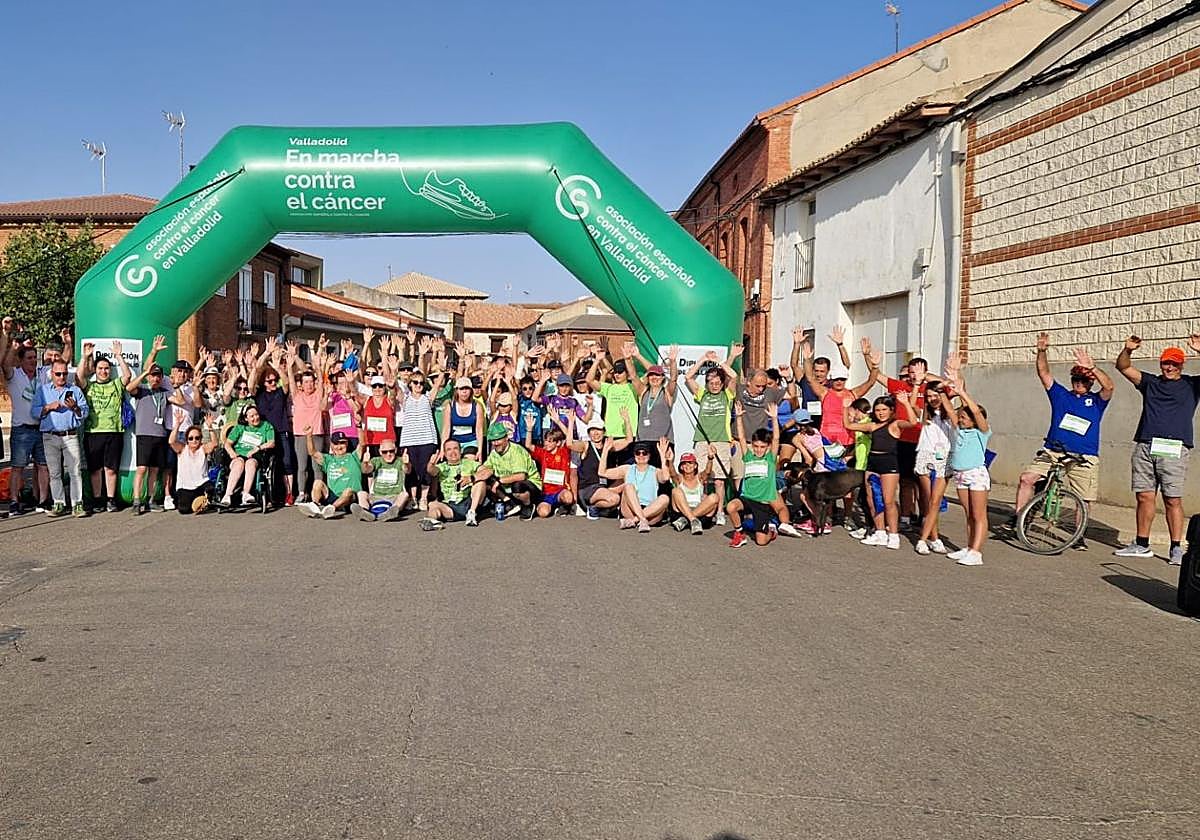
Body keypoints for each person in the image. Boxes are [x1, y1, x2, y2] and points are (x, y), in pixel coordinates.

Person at [1013, 333, 1115, 547]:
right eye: (1076, 379)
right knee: (1027, 479)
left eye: (1084, 380)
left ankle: (1078, 535)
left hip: (1084, 456)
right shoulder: (1061, 395)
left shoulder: (1096, 401)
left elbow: (1109, 387)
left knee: (1084, 498)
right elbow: (1044, 373)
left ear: (1090, 382)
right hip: (1054, 450)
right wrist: (1041, 351)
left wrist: (1093, 368)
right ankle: (1019, 520)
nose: (1079, 383)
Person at [1114, 334, 1200, 564]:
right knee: (1144, 496)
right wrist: (1128, 350)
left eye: (1174, 363)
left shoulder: (1191, 385)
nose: (1169, 367)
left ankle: (1176, 548)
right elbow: (1123, 367)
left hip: (1173, 447)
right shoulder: (1150, 382)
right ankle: (1142, 544)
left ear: (1181, 365)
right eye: (1166, 362)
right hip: (1145, 445)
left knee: (1172, 499)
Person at [844, 392, 917, 549]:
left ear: (891, 410)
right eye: (877, 410)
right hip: (872, 463)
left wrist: (906, 403)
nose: (880, 413)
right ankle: (880, 532)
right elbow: (848, 425)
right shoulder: (872, 425)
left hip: (889, 464)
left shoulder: (895, 424)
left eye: (884, 409)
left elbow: (912, 422)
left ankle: (894, 535)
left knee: (888, 501)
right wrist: (845, 408)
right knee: (871, 500)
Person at [726, 401, 803, 546]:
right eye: (756, 446)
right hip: (747, 498)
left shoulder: (770, 459)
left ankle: (771, 532)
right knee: (731, 506)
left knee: (761, 541)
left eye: (762, 447)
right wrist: (739, 417)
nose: (759, 450)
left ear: (767, 447)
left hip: (762, 503)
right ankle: (739, 533)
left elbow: (776, 438)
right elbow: (742, 438)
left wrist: (774, 419)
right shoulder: (748, 456)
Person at [684, 350, 741, 525]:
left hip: (722, 440)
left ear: (722, 383)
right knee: (702, 477)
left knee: (719, 480)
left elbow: (734, 376)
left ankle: (720, 512)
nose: (714, 386)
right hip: (702, 439)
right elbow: (688, 377)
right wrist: (703, 359)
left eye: (717, 383)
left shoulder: (727, 395)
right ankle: (703, 508)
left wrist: (718, 361)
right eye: (711, 383)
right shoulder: (703, 395)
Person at [943, 359, 991, 567]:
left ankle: (976, 552)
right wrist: (950, 380)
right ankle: (969, 546)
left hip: (976, 474)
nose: (960, 419)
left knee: (979, 514)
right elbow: (947, 405)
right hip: (960, 474)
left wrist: (963, 393)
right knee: (969, 513)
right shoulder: (959, 429)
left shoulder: (982, 431)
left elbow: (976, 412)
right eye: (960, 417)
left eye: (964, 417)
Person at [31, 359, 89, 517]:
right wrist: (48, 407)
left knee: (75, 471)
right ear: (52, 374)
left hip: (70, 435)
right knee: (54, 472)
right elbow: (34, 412)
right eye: (58, 374)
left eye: (64, 373)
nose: (61, 377)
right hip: (50, 436)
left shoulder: (75, 390)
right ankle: (59, 503)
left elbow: (85, 412)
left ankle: (77, 503)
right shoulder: (42, 390)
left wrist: (75, 407)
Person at [77, 341, 129, 513]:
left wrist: (119, 356)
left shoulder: (115, 384)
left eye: (106, 368)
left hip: (114, 432)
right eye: (100, 368)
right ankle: (98, 499)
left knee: (111, 469)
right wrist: (85, 357)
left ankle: (111, 499)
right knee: (95, 470)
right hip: (93, 432)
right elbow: (79, 377)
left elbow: (127, 376)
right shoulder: (90, 386)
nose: (104, 371)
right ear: (96, 370)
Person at [125, 335, 173, 515]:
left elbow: (180, 400)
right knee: (142, 468)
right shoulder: (143, 390)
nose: (155, 379)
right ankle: (137, 501)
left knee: (154, 469)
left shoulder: (165, 392)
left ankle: (152, 499)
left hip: (159, 434)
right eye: (153, 376)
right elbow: (129, 388)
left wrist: (172, 383)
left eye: (158, 376)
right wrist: (145, 373)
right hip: (144, 434)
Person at [2, 341, 50, 514]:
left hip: (41, 427)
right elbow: (5, 364)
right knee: (18, 466)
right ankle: (14, 501)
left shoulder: (42, 374)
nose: (33, 361)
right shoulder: (14, 375)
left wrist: (67, 343)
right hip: (22, 429)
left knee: (43, 466)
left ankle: (43, 501)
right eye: (29, 358)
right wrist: (12, 347)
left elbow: (64, 361)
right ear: (21, 360)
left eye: (34, 358)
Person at [913, 384, 954, 555]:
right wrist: (916, 385)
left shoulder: (951, 414)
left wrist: (943, 390)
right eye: (929, 396)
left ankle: (923, 539)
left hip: (944, 458)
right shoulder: (925, 415)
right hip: (925, 455)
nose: (932, 399)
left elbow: (952, 411)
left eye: (935, 395)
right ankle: (934, 538)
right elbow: (912, 404)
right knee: (928, 499)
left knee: (935, 501)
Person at [568, 414, 633, 520]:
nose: (595, 433)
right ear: (588, 433)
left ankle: (610, 509)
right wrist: (571, 423)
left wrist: (627, 421)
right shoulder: (586, 445)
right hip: (589, 488)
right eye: (592, 430)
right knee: (614, 499)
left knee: (628, 479)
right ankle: (594, 507)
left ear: (603, 432)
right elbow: (570, 444)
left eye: (598, 430)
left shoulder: (608, 445)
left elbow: (629, 440)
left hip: (605, 487)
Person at [599, 438, 671, 532]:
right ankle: (641, 519)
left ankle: (636, 520)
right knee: (628, 486)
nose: (641, 455)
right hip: (629, 510)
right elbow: (602, 472)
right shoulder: (627, 469)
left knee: (665, 498)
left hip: (651, 512)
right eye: (638, 453)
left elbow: (666, 477)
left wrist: (662, 456)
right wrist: (605, 451)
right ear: (634, 455)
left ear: (649, 456)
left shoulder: (655, 471)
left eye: (644, 453)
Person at [789, 325, 852, 431]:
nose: (819, 374)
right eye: (816, 370)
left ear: (828, 371)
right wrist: (797, 344)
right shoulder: (806, 380)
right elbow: (794, 365)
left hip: (826, 421)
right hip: (807, 421)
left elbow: (846, 366)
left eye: (822, 371)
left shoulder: (832, 383)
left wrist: (840, 345)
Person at [475, 422, 543, 520]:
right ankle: (509, 503)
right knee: (486, 482)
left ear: (506, 437)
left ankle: (528, 505)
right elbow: (486, 468)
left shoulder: (516, 451)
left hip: (530, 485)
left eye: (498, 439)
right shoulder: (494, 453)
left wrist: (499, 481)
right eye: (493, 440)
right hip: (507, 487)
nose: (495, 443)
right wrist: (473, 477)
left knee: (518, 486)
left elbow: (521, 476)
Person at [396, 368, 440, 510]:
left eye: (421, 383)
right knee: (411, 469)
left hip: (427, 438)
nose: (418, 385)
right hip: (409, 440)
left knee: (426, 470)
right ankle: (413, 498)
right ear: (410, 384)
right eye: (415, 382)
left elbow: (438, 384)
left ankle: (423, 498)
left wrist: (442, 368)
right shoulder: (406, 398)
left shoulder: (427, 397)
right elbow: (393, 387)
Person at [300, 429, 367, 519]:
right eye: (336, 443)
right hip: (332, 496)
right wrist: (309, 435)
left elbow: (362, 444)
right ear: (331, 445)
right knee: (318, 482)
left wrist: (359, 426)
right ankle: (315, 506)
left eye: (342, 443)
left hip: (350, 499)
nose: (339, 447)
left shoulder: (354, 456)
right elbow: (312, 452)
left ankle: (332, 509)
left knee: (348, 491)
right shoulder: (329, 459)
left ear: (346, 443)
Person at [221, 404, 276, 508]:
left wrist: (258, 448)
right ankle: (227, 495)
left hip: (255, 456)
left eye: (256, 415)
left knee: (250, 463)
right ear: (246, 418)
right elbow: (227, 443)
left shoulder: (266, 426)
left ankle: (246, 493)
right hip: (238, 455)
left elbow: (271, 443)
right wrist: (231, 452)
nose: (256, 418)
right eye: (252, 416)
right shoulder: (240, 428)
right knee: (239, 463)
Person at [286, 363, 326, 504]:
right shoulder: (297, 395)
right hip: (300, 435)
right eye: (306, 382)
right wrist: (290, 368)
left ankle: (318, 494)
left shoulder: (318, 394)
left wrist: (318, 363)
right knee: (302, 466)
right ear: (301, 384)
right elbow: (291, 381)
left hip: (316, 434)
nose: (309, 385)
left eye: (311, 382)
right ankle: (302, 493)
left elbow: (321, 380)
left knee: (317, 466)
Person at [167, 412, 220, 514]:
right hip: (185, 487)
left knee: (210, 489)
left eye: (197, 438)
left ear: (200, 439)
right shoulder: (182, 449)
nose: (194, 440)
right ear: (187, 440)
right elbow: (171, 441)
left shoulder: (202, 449)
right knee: (184, 510)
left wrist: (210, 428)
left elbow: (214, 444)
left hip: (201, 484)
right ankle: (199, 503)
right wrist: (177, 424)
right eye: (191, 438)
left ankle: (205, 501)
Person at [422, 440, 482, 528]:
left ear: (460, 451)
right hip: (450, 506)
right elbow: (431, 471)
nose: (453, 452)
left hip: (469, 503)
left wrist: (471, 478)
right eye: (449, 449)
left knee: (480, 481)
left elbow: (488, 471)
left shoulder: (470, 463)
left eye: (455, 448)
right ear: (445, 453)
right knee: (433, 505)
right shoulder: (442, 467)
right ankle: (431, 521)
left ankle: (471, 514)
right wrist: (431, 463)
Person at [529, 418, 576, 518]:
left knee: (568, 498)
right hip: (546, 492)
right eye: (546, 440)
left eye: (550, 441)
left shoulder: (563, 452)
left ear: (558, 443)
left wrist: (568, 422)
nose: (546, 443)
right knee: (543, 513)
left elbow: (569, 439)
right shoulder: (543, 453)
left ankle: (562, 506)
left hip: (560, 490)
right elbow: (528, 445)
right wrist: (529, 429)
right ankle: (548, 507)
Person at [354, 441, 410, 522]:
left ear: (396, 450)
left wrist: (407, 463)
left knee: (404, 495)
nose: (388, 454)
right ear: (380, 452)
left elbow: (407, 470)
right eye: (385, 452)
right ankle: (365, 512)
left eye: (391, 451)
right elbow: (365, 470)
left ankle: (390, 513)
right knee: (361, 493)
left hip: (394, 497)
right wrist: (365, 462)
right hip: (376, 496)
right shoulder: (376, 461)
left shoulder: (400, 461)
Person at [669, 448, 720, 535]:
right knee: (676, 490)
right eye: (684, 463)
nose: (687, 465)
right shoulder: (679, 478)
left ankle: (687, 519)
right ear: (681, 467)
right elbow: (672, 473)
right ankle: (692, 519)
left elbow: (707, 472)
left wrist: (710, 458)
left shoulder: (699, 477)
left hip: (699, 513)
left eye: (690, 463)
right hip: (681, 512)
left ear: (695, 465)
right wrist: (670, 461)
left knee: (714, 497)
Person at [441, 376, 484, 454]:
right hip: (454, 442)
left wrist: (480, 450)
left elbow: (479, 430)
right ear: (457, 390)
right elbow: (446, 429)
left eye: (467, 389)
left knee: (469, 460)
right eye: (461, 389)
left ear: (471, 390)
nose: (464, 392)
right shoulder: (450, 406)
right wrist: (442, 449)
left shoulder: (477, 406)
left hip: (471, 441)